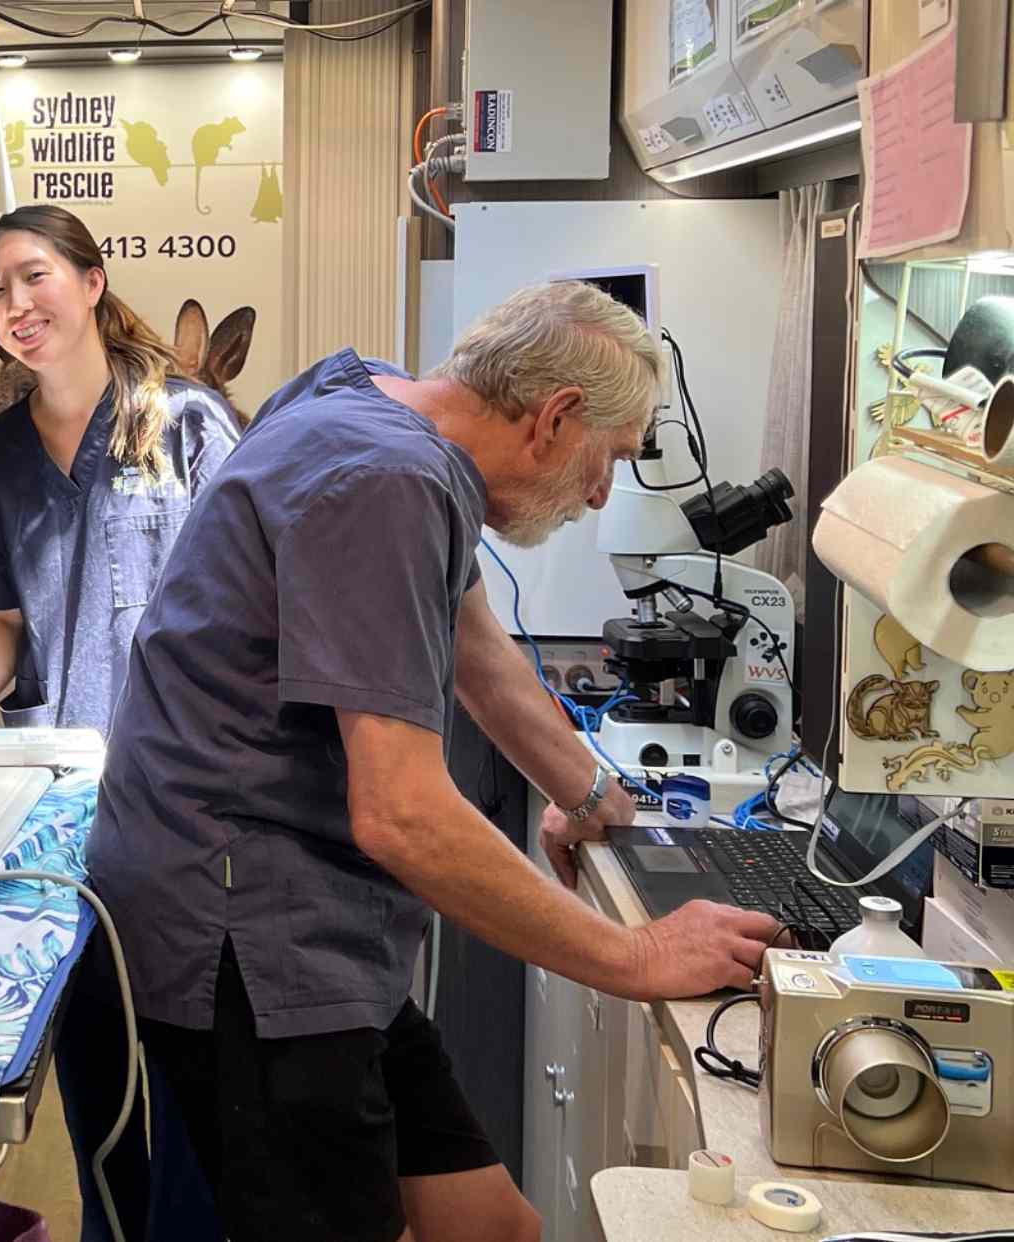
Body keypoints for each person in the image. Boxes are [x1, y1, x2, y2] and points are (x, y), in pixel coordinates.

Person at [89, 282, 786, 1242]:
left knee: (497, 1228)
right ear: (556, 417)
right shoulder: (390, 480)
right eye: (609, 461)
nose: (598, 495)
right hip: (247, 938)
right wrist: (635, 955)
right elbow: (402, 812)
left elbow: (475, 649)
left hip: (310, 918)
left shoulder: (369, 395)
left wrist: (590, 794)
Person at [0, 204, 237, 1242]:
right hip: (63, 806)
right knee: (97, 1074)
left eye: (34, 277)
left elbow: (257, 608)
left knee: (195, 1076)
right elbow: (3, 628)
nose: (15, 305)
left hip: (189, 806)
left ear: (92, 281)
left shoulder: (190, 426)